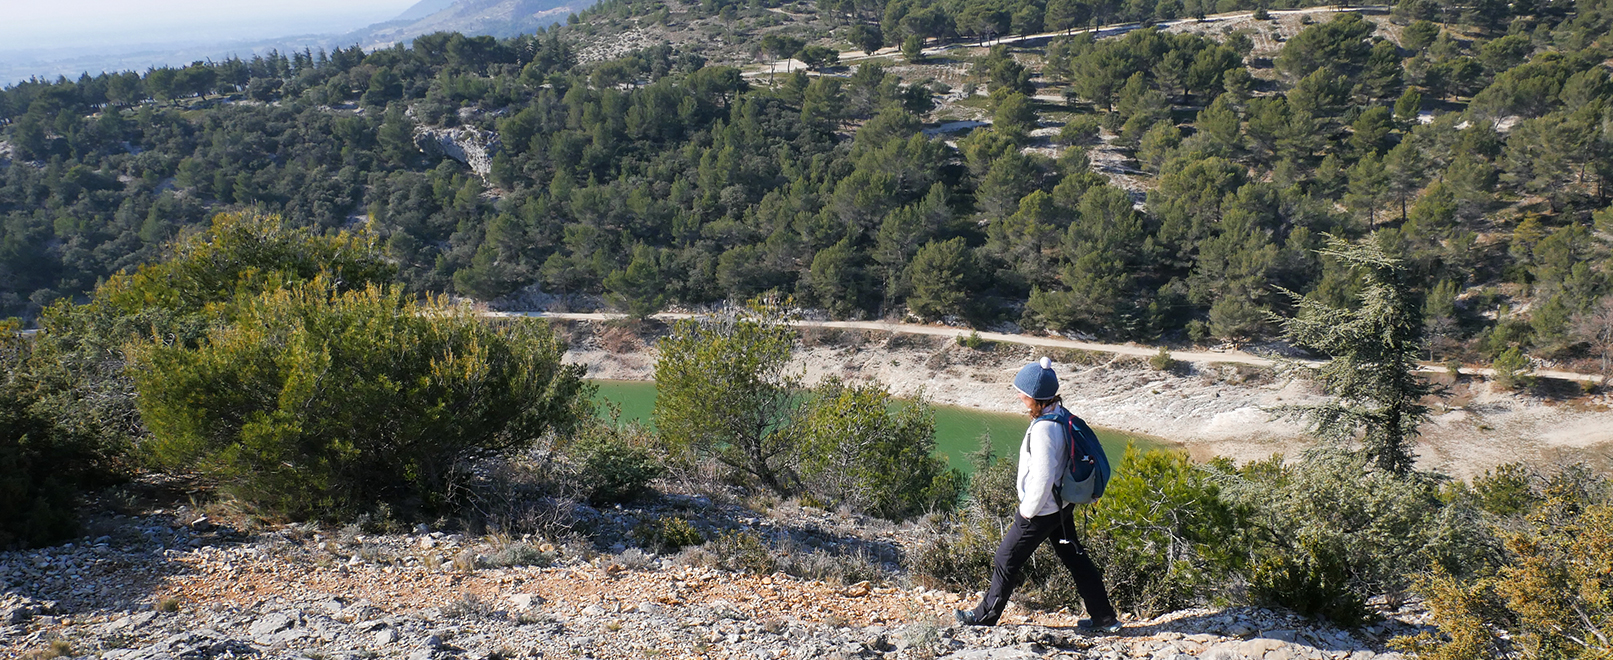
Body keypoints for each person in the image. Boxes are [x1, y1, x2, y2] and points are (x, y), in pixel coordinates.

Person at [954, 357, 1120, 633]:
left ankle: (984, 618)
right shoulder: (1060, 415)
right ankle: (1104, 619)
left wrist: (1027, 511)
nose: (1019, 396)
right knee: (1076, 558)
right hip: (1062, 507)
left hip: (1042, 510)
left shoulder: (1044, 429)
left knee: (1006, 558)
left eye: (1022, 392)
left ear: (1035, 396)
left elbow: (1043, 476)